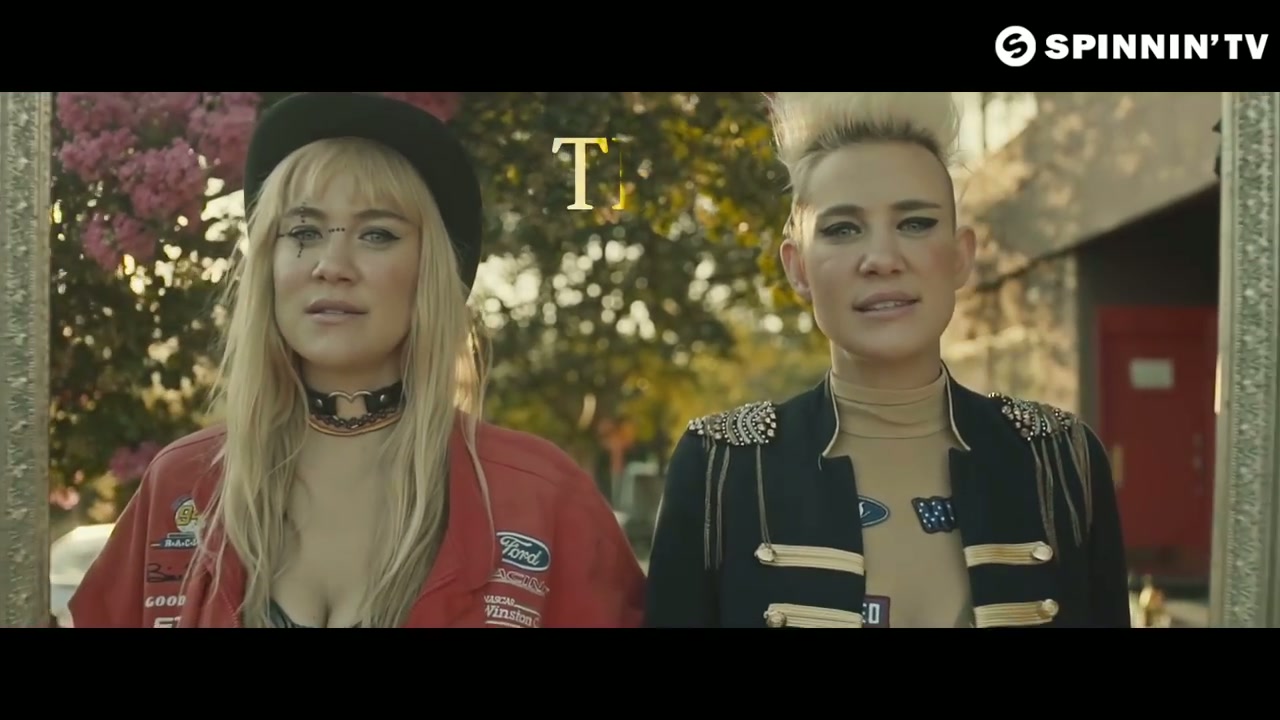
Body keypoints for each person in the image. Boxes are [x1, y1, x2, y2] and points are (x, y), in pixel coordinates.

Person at [69, 92, 645, 628]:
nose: (332, 265)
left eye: (377, 235)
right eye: (303, 231)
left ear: (430, 272)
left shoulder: (544, 496)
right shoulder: (180, 484)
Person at [645, 92, 1130, 628]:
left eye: (916, 223)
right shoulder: (719, 467)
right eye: (842, 229)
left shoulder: (1061, 459)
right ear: (798, 268)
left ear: (961, 255)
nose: (881, 259)